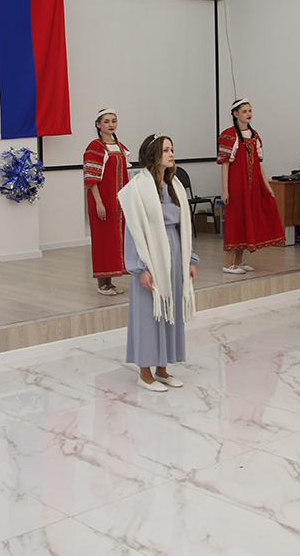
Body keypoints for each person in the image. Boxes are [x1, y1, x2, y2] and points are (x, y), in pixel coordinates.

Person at [117, 134, 198, 392]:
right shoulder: (138, 188)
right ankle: (145, 373)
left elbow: (185, 225)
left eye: (172, 149)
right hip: (150, 255)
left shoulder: (174, 184)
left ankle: (163, 369)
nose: (171, 154)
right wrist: (140, 267)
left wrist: (190, 259)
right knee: (148, 314)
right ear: (153, 154)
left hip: (174, 251)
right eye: (166, 150)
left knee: (170, 310)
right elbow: (133, 229)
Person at [217, 98, 285, 274]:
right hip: (237, 187)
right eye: (244, 111)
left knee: (247, 220)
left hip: (252, 185)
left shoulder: (254, 136)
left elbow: (257, 164)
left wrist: (267, 185)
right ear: (235, 114)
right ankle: (227, 263)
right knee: (236, 222)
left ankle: (239, 261)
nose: (248, 114)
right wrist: (225, 190)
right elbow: (225, 165)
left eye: (250, 111)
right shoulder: (229, 135)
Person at [83, 109, 131, 295]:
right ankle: (101, 283)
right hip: (103, 200)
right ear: (98, 124)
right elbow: (91, 178)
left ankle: (110, 281)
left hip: (119, 202)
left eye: (114, 121)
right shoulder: (95, 147)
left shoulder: (119, 146)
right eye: (106, 121)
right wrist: (99, 203)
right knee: (103, 239)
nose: (111, 124)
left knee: (115, 238)